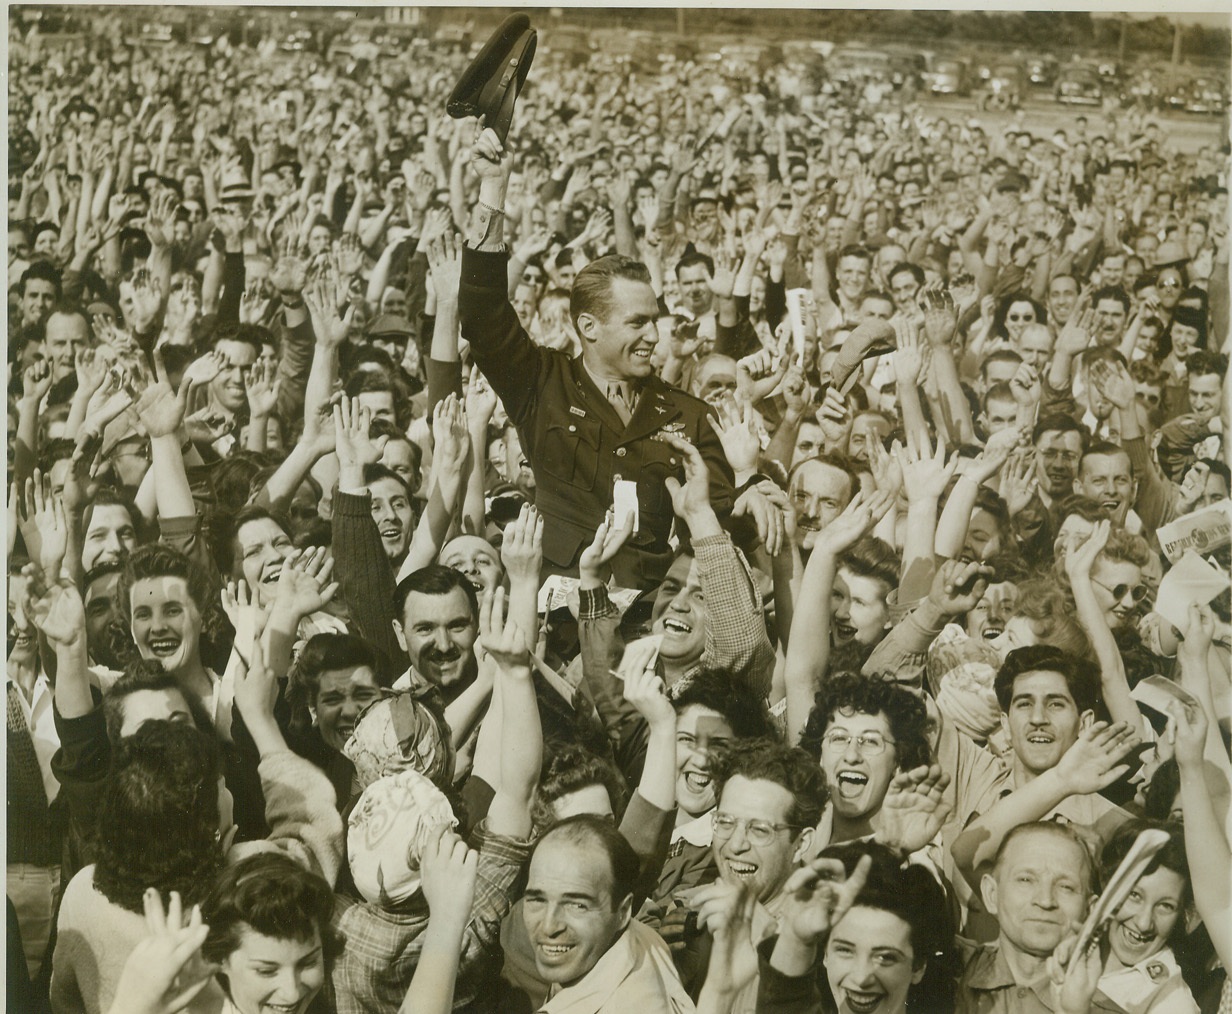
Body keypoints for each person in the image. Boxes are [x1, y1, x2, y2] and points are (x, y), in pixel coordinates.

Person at [458, 127, 737, 590]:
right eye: (637, 323)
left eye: (654, 320)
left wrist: (752, 489)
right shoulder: (542, 384)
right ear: (589, 327)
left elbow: (723, 521)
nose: (654, 335)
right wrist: (494, 189)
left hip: (652, 621)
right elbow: (483, 313)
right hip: (557, 617)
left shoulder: (691, 416)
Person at [522, 814, 696, 1011]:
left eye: (577, 905)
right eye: (537, 899)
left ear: (623, 912)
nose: (548, 926)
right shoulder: (639, 938)